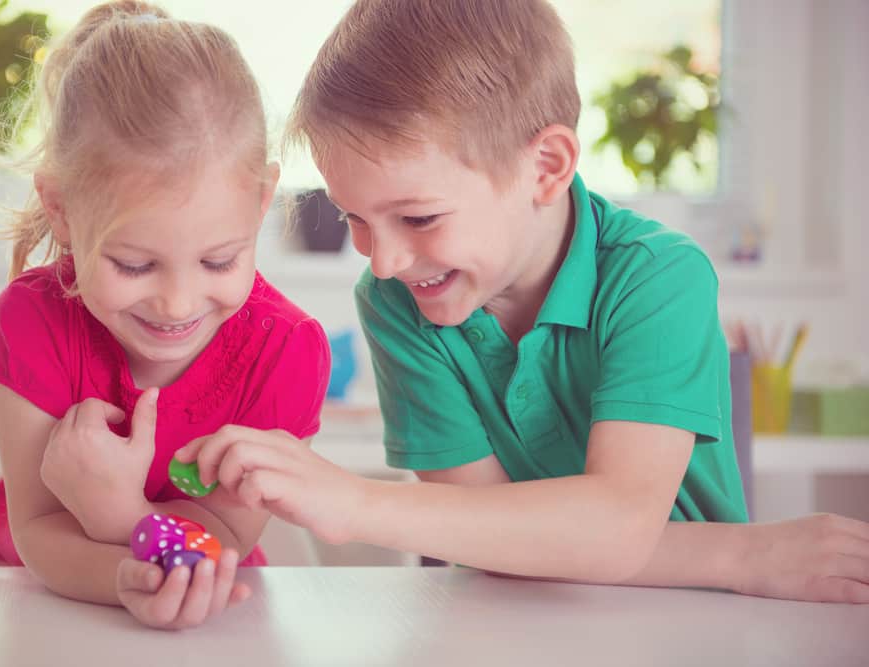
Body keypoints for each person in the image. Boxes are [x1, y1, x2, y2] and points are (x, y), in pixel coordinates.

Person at [177, 0, 869, 603]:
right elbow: (489, 537)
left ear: (545, 167)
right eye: (353, 217)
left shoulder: (660, 277)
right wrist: (742, 553)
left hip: (694, 621)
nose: (381, 259)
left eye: (418, 218)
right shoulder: (396, 300)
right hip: (515, 626)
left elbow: (612, 526)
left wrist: (353, 501)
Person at [0, 1, 330, 629]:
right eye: (135, 265)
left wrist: (117, 515)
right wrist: (121, 578)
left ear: (263, 199)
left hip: (207, 602)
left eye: (219, 261)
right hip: (27, 589)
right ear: (62, 210)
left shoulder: (286, 351)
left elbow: (222, 540)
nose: (177, 305)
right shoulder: (30, 321)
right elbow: (38, 529)